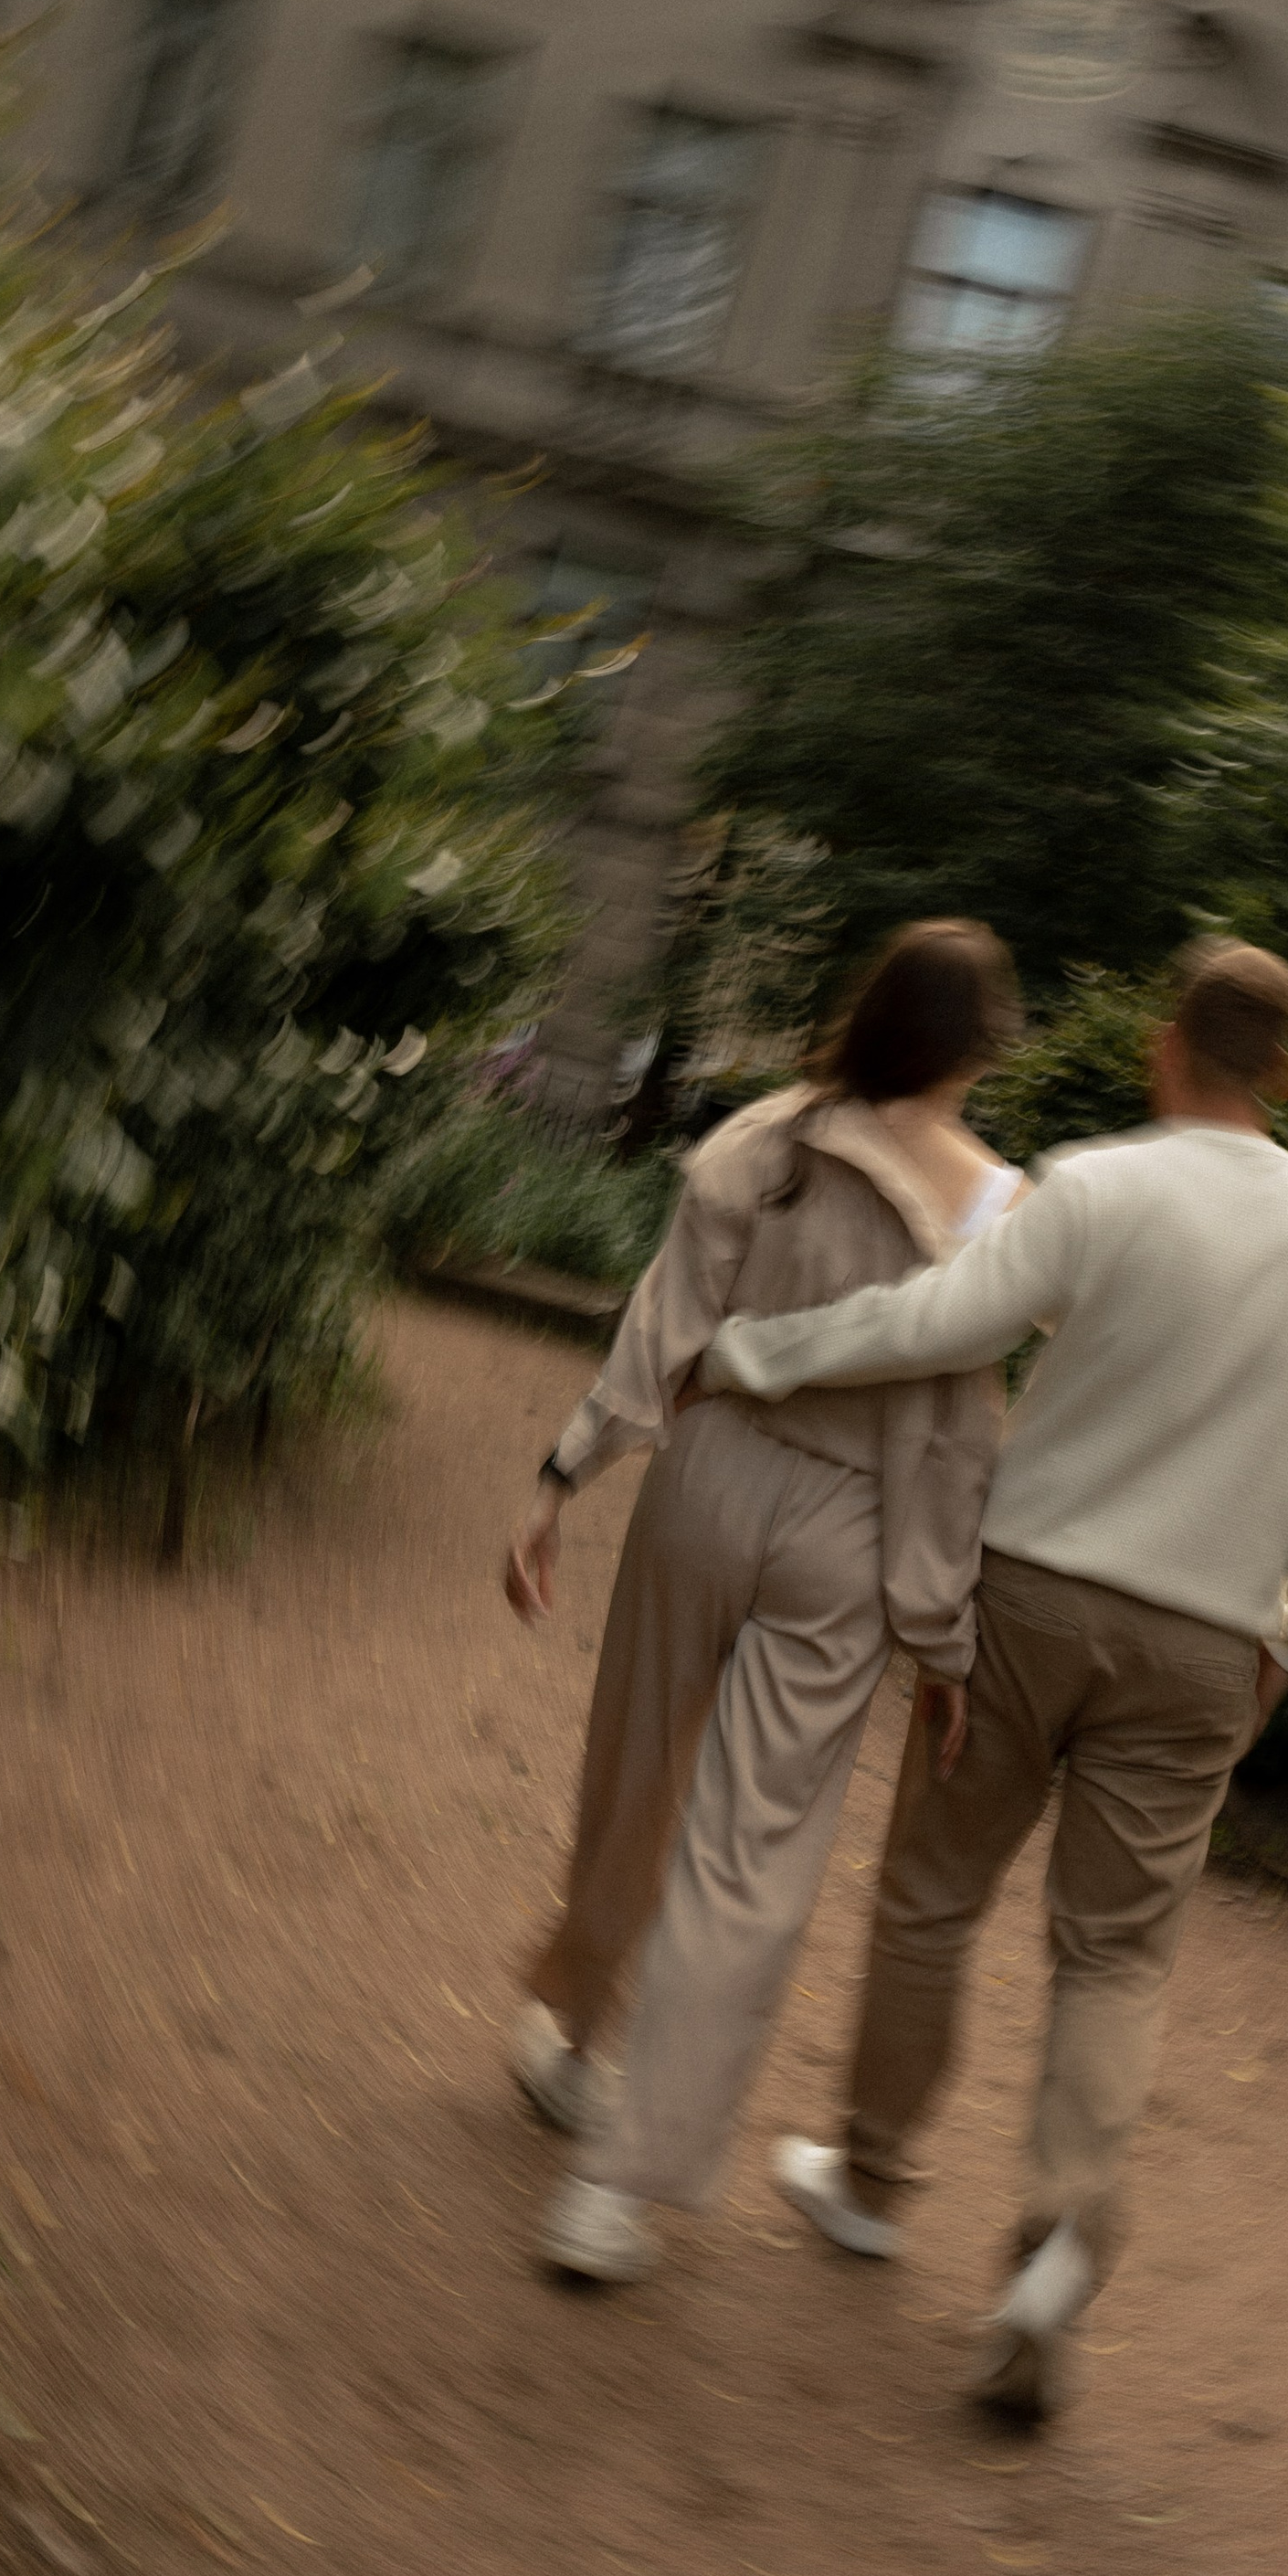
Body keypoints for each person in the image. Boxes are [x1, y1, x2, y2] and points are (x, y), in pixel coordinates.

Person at [692, 939, 1288, 2417]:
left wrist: (749, 1353)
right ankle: (1054, 2250)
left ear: (1166, 1044)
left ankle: (871, 2179)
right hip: (1205, 1647)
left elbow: (934, 1324)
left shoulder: (1094, 1186)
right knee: (1116, 1958)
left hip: (1025, 1600)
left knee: (932, 1894)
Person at [502, 921, 1025, 2278]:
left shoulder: (768, 1138)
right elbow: (960, 1442)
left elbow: (662, 1324)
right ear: (980, 1045)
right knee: (750, 1863)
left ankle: (569, 2038)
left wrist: (563, 1476)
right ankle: (616, 2190)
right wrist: (945, 1638)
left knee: (634, 1777)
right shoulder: (997, 1209)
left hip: (707, 1482)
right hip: (852, 1531)